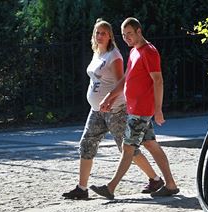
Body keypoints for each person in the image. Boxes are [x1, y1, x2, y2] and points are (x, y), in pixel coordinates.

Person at [62, 19, 165, 200]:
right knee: (87, 144)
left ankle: (155, 179)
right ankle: (82, 187)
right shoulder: (98, 53)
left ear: (110, 36)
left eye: (103, 33)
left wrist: (111, 100)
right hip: (97, 110)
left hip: (116, 111)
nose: (100, 36)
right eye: (97, 33)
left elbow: (123, 82)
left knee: (129, 149)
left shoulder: (115, 56)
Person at [90, 17, 178, 199]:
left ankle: (111, 187)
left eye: (129, 33)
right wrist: (109, 97)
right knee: (151, 145)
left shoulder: (149, 52)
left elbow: (158, 80)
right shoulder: (134, 52)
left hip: (141, 110)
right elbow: (126, 79)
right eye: (123, 35)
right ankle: (170, 184)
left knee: (127, 147)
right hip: (135, 109)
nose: (126, 37)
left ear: (139, 31)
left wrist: (158, 109)